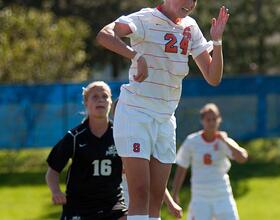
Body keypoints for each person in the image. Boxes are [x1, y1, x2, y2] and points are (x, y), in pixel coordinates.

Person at [96, 0, 229, 219]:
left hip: (166, 119)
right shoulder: (144, 18)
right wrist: (135, 56)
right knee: (139, 193)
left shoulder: (190, 27)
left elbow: (213, 78)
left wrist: (217, 41)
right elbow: (105, 34)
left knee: (155, 200)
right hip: (135, 113)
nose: (189, 3)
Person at [45, 81, 127, 220]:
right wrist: (56, 191)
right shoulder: (75, 137)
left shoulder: (120, 135)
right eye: (95, 96)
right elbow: (52, 171)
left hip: (112, 204)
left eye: (105, 96)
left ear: (111, 102)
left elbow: (130, 167)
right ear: (86, 102)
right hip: (79, 206)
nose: (101, 99)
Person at [172, 103, 248, 220]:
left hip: (222, 195)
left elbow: (242, 158)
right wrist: (175, 193)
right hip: (200, 197)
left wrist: (225, 141)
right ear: (202, 121)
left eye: (214, 119)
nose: (212, 122)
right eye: (208, 119)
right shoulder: (192, 141)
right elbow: (182, 167)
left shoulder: (223, 140)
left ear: (219, 120)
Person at [112, 98, 183, 219]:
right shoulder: (110, 137)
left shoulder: (142, 138)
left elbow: (154, 179)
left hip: (146, 203)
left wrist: (170, 203)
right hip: (118, 201)